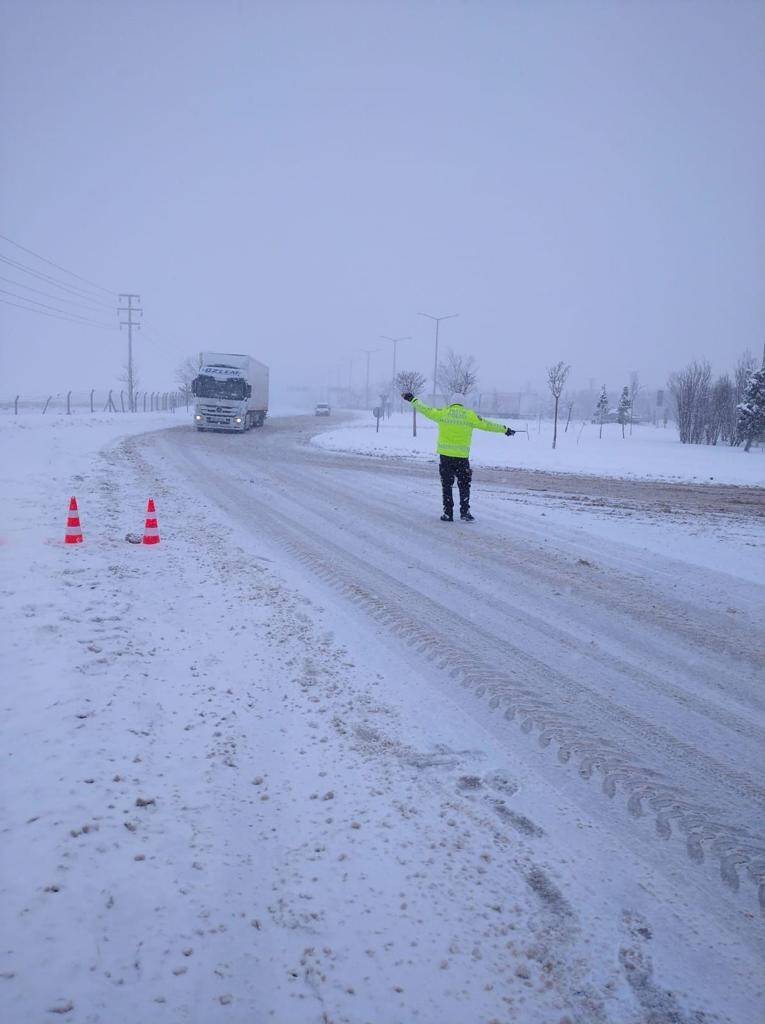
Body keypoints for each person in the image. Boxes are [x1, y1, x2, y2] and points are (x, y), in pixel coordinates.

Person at [401, 392, 515, 521]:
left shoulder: (443, 413)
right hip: (462, 458)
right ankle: (465, 512)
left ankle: (448, 513)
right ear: (463, 403)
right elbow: (487, 425)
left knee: (447, 485)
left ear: (451, 402)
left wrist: (413, 399)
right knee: (464, 484)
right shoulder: (469, 416)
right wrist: (505, 429)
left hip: (445, 458)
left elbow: (426, 410)